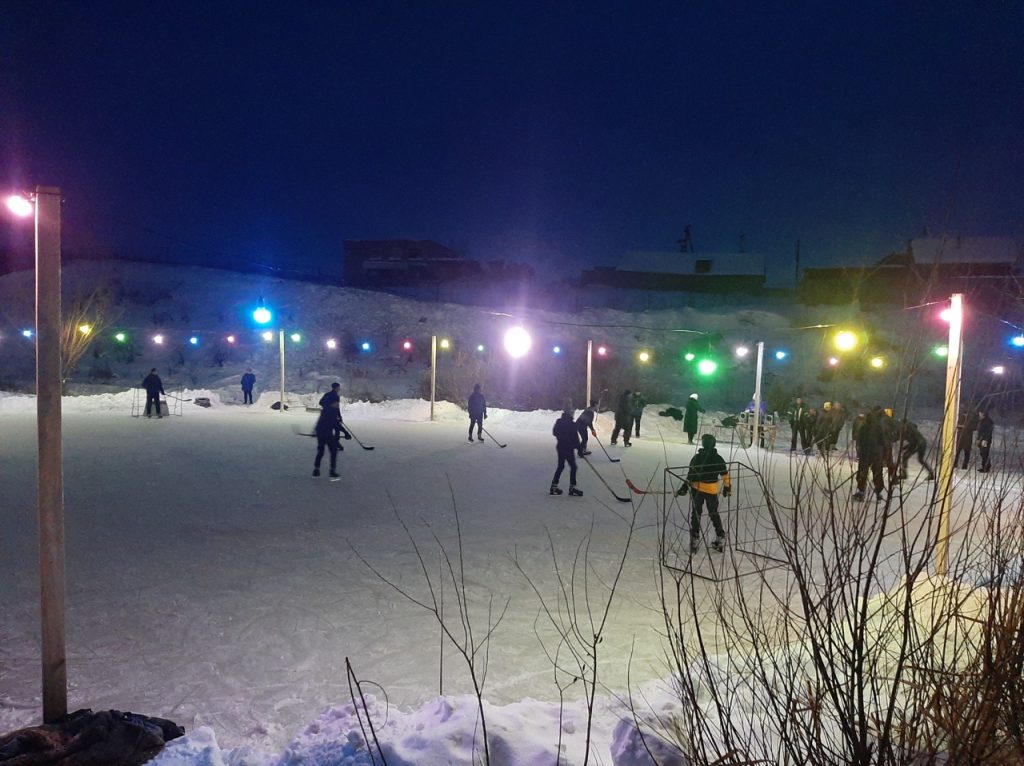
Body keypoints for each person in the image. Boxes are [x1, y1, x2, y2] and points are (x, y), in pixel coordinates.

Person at [680, 433, 731, 553]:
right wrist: (727, 487)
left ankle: (695, 538)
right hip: (712, 490)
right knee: (714, 513)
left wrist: (684, 487)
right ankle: (720, 536)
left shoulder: (697, 458)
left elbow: (690, 475)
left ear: (703, 444)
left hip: (697, 489)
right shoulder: (718, 458)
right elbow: (725, 474)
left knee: (696, 514)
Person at [853, 407, 887, 501]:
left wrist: (859, 452)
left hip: (865, 455)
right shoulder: (879, 428)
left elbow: (859, 441)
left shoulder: (863, 428)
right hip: (877, 455)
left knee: (862, 473)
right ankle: (878, 493)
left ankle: (861, 492)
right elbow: (883, 442)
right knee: (877, 473)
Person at [313, 398, 351, 480]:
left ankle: (316, 470)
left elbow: (319, 422)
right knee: (333, 452)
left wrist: (315, 431)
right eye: (336, 403)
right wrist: (346, 433)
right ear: (332, 403)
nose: (337, 404)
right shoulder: (332, 412)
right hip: (327, 434)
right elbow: (336, 424)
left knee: (320, 452)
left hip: (321, 433)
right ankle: (332, 472)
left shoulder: (325, 410)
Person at [550, 408, 583, 496]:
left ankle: (553, 486)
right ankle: (572, 487)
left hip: (560, 447)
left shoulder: (559, 422)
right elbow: (575, 438)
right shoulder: (572, 424)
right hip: (568, 448)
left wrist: (563, 438)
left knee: (561, 466)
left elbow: (555, 432)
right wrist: (579, 448)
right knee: (573, 467)